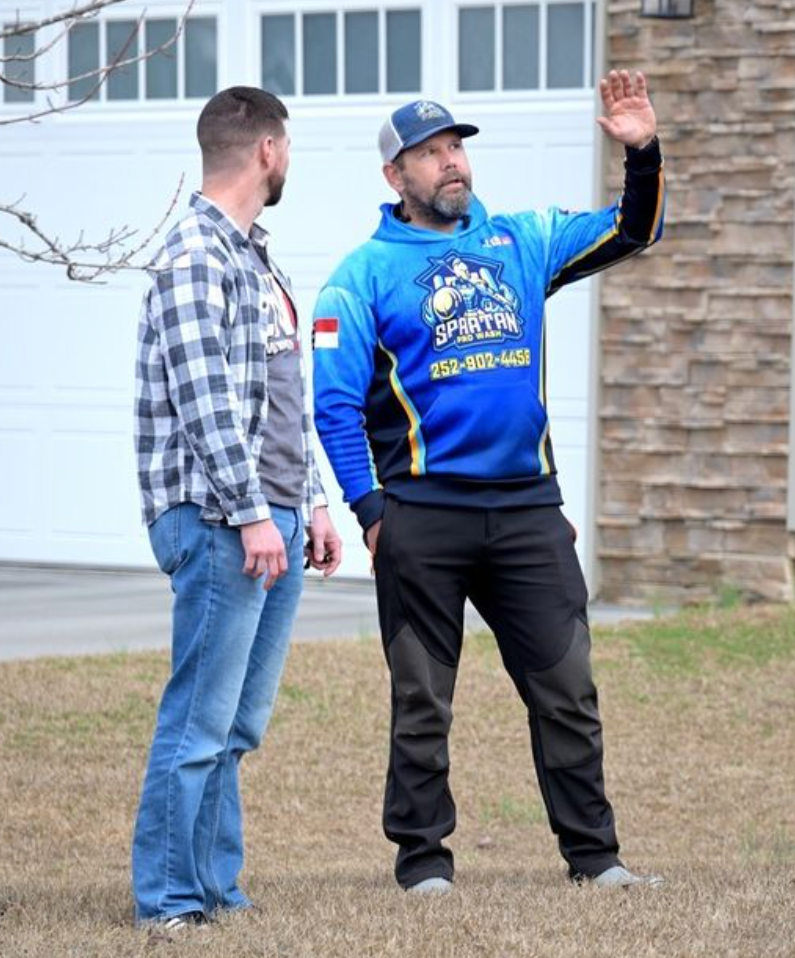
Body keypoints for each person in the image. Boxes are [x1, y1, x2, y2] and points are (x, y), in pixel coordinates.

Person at [311, 71, 664, 894]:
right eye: (428, 154)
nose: (450, 164)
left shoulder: (522, 240)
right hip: (422, 515)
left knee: (568, 690)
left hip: (528, 513)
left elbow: (631, 232)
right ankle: (424, 862)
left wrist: (642, 153)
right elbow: (333, 405)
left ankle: (596, 858)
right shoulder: (360, 276)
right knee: (423, 702)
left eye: (455, 148)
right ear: (395, 177)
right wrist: (370, 510)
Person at [131, 86, 344, 928]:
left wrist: (311, 505)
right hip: (221, 521)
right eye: (286, 145)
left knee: (235, 726)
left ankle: (216, 887)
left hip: (271, 517)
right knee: (198, 721)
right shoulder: (195, 257)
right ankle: (170, 901)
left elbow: (284, 396)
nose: (289, 158)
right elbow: (207, 402)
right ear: (265, 149)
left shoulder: (255, 259)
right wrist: (254, 513)